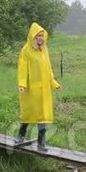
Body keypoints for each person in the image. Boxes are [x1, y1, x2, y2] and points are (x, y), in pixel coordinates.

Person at [16, 22, 61, 152]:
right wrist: (22, 84)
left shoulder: (44, 50)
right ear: (33, 36)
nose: (41, 38)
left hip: (44, 90)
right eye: (39, 36)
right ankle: (20, 136)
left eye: (42, 35)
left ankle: (41, 144)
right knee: (28, 113)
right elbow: (22, 69)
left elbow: (48, 68)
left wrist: (54, 83)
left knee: (43, 116)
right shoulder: (26, 51)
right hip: (31, 89)